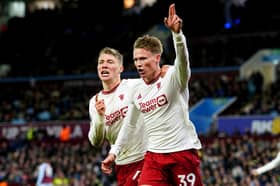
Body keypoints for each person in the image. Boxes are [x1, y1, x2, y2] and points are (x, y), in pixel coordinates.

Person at [102, 3, 203, 186]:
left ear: (157, 58)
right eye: (135, 60)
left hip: (182, 153)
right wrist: (113, 152)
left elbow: (183, 62)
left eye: (143, 59)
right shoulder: (136, 89)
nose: (138, 64)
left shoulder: (172, 78)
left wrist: (177, 35)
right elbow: (129, 125)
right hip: (154, 157)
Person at [88, 47, 147, 186]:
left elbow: (160, 82)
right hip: (122, 164)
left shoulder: (135, 85)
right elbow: (95, 141)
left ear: (120, 68)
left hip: (146, 158)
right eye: (101, 62)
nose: (104, 65)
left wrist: (165, 72)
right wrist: (100, 118)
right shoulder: (95, 101)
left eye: (109, 62)